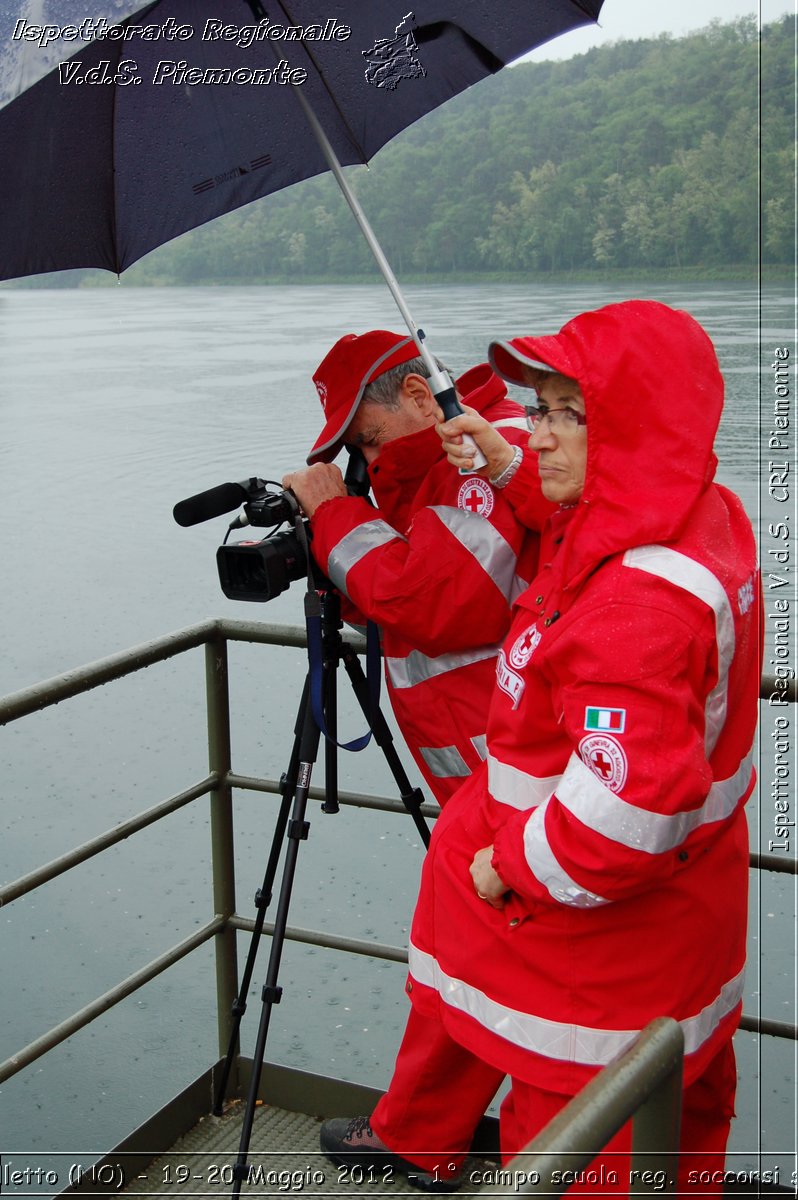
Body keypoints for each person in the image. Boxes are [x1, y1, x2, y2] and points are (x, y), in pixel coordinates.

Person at [320, 300, 761, 1195]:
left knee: (569, 1159)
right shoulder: (690, 512)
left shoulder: (635, 610)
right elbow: (578, 519)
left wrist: (506, 866)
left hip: (597, 975)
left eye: (568, 413)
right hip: (677, 938)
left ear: (636, 423)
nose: (541, 433)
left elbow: (627, 814)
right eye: (542, 408)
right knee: (680, 1147)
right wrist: (508, 459)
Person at [282, 329, 550, 807]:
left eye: (368, 439)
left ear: (419, 395)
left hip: (526, 782)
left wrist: (334, 515)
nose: (367, 462)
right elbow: (417, 573)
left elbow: (435, 604)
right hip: (496, 778)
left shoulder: (486, 456)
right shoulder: (439, 466)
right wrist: (340, 571)